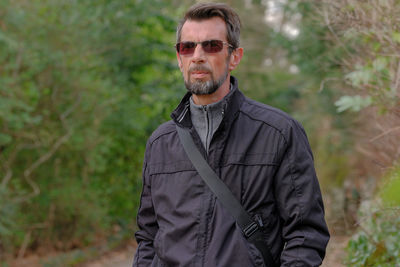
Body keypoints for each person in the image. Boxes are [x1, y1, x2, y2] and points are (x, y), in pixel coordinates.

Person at [133, 2, 330, 266]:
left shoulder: (279, 133)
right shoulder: (160, 143)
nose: (198, 55)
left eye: (211, 46)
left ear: (234, 57)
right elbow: (148, 237)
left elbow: (305, 234)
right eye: (187, 47)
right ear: (179, 59)